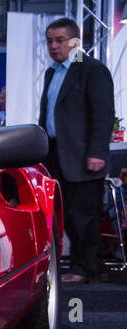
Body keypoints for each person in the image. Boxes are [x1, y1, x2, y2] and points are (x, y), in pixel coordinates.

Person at [39, 16, 115, 284]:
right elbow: (48, 115)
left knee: (83, 215)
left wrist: (97, 152)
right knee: (65, 215)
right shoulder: (52, 73)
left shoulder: (92, 70)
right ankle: (80, 264)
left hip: (84, 156)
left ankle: (85, 268)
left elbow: (103, 115)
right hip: (54, 153)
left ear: (75, 41)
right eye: (49, 41)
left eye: (59, 40)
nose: (53, 46)